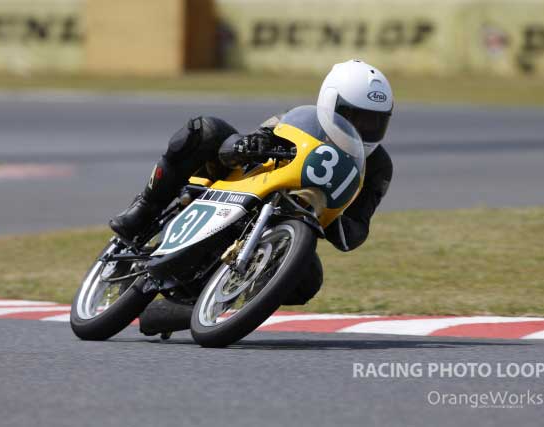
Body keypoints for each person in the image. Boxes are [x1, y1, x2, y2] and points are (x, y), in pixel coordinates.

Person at [109, 60, 394, 334]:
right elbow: (240, 148)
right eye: (356, 117)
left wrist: (331, 212)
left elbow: (355, 232)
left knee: (306, 282)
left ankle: (206, 305)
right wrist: (247, 145)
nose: (363, 129)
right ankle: (143, 209)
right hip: (248, 187)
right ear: (330, 104)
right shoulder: (299, 120)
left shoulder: (378, 167)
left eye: (375, 122)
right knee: (206, 130)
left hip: (287, 224)